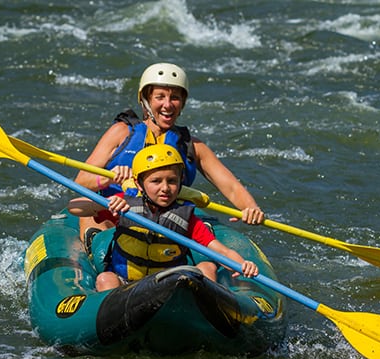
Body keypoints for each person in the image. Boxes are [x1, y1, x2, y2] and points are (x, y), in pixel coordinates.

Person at [71, 62, 265, 255]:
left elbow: (231, 186)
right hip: (117, 212)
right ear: (146, 100)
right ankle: (102, 257)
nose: (168, 104)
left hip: (169, 221)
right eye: (160, 97)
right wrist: (108, 178)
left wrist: (250, 208)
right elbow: (80, 182)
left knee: (201, 239)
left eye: (175, 98)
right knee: (89, 217)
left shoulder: (192, 146)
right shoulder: (121, 133)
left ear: (183, 103)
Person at [83, 144, 258, 292]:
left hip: (170, 284)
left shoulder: (185, 217)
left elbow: (221, 251)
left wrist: (243, 264)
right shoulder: (124, 204)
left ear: (181, 182)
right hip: (126, 283)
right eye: (156, 181)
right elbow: (74, 207)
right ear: (139, 183)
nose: (165, 188)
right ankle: (116, 324)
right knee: (105, 279)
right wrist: (104, 202)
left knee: (207, 267)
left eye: (172, 181)